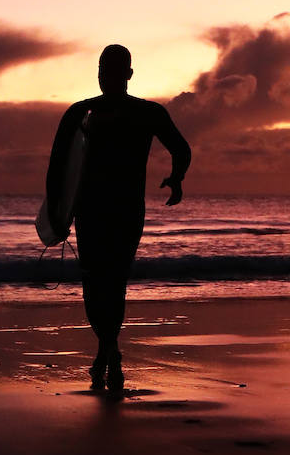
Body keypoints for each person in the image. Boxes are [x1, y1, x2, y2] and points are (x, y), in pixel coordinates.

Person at [46, 45, 191, 393]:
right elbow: (181, 150)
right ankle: (107, 348)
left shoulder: (86, 112)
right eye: (102, 69)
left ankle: (108, 349)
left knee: (100, 282)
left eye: (110, 69)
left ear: (127, 74)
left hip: (101, 212)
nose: (105, 75)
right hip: (115, 211)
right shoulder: (132, 113)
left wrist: (57, 211)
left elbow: (55, 168)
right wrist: (176, 177)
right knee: (109, 282)